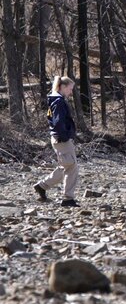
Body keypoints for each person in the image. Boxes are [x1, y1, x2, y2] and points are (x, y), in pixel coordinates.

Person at [33, 76, 80, 207]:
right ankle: (68, 199)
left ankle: (42, 186)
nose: (71, 92)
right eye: (70, 89)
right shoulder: (59, 101)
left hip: (58, 138)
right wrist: (64, 136)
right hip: (61, 138)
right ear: (63, 87)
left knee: (66, 165)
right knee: (71, 166)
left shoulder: (55, 100)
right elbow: (58, 122)